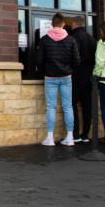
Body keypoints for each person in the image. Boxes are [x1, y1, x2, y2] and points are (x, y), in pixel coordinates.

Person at [35, 13, 80, 146]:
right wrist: (69, 70)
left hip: (50, 78)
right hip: (66, 77)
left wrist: (44, 72)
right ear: (63, 25)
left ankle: (50, 138)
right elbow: (77, 61)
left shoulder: (44, 40)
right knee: (68, 106)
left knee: (51, 107)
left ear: (51, 24)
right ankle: (70, 137)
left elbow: (39, 60)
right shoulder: (71, 40)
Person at [69, 15, 96, 143]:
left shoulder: (74, 38)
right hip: (90, 75)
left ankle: (75, 134)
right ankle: (86, 134)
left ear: (74, 24)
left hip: (77, 73)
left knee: (72, 103)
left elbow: (73, 56)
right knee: (87, 105)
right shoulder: (92, 38)